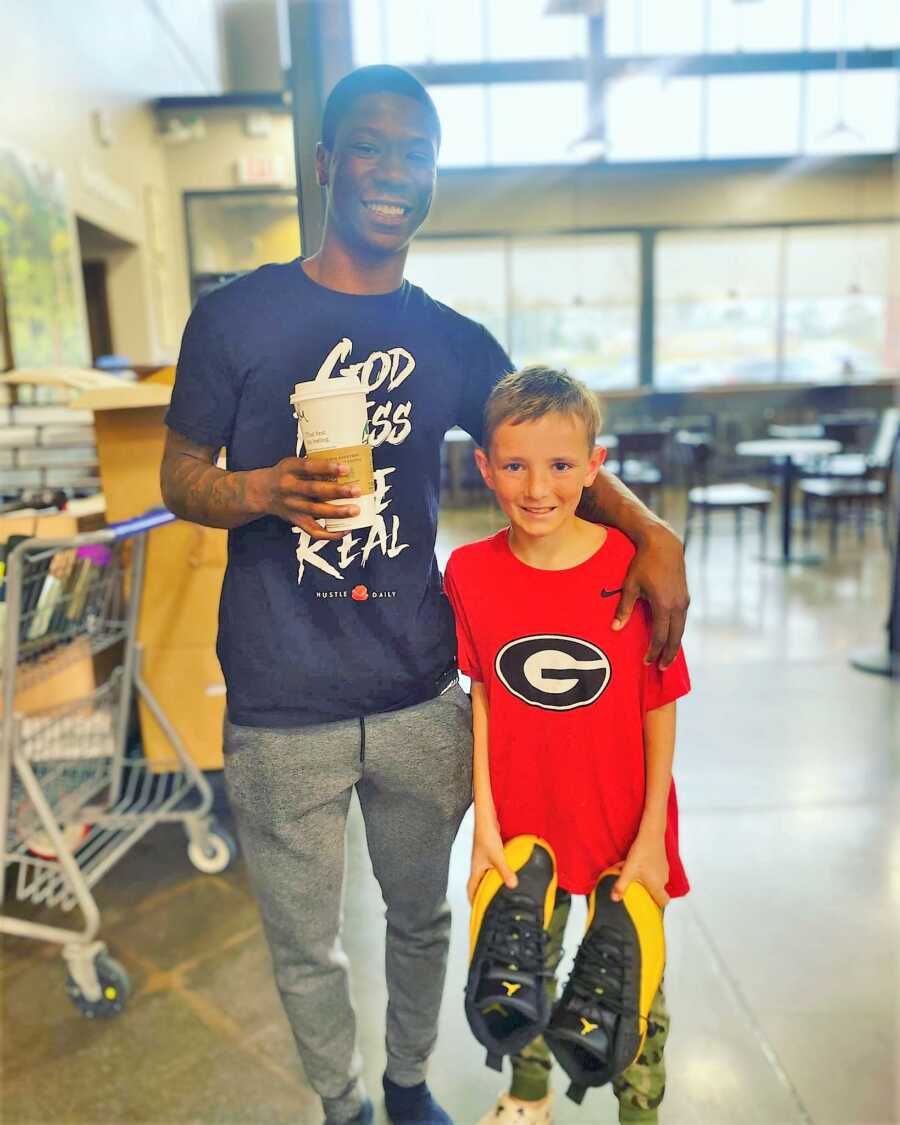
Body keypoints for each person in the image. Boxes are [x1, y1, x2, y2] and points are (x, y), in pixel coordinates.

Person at [159, 65, 689, 1125]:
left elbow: (553, 438)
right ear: (324, 165)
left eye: (416, 153)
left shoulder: (450, 338)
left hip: (415, 686)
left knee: (421, 921)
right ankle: (342, 1104)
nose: (393, 171)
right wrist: (260, 488)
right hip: (277, 695)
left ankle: (406, 1087)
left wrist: (651, 529)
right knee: (305, 944)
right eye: (371, 145)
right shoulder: (235, 320)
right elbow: (180, 477)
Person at [443, 367, 691, 1125]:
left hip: (623, 824)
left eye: (559, 465)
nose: (537, 487)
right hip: (524, 821)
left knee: (627, 987)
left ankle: (638, 1110)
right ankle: (527, 1093)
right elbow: (484, 692)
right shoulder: (470, 571)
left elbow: (659, 705)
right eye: (514, 464)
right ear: (484, 466)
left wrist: (651, 837)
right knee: (520, 967)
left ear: (594, 465)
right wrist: (485, 820)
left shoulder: (632, 567)